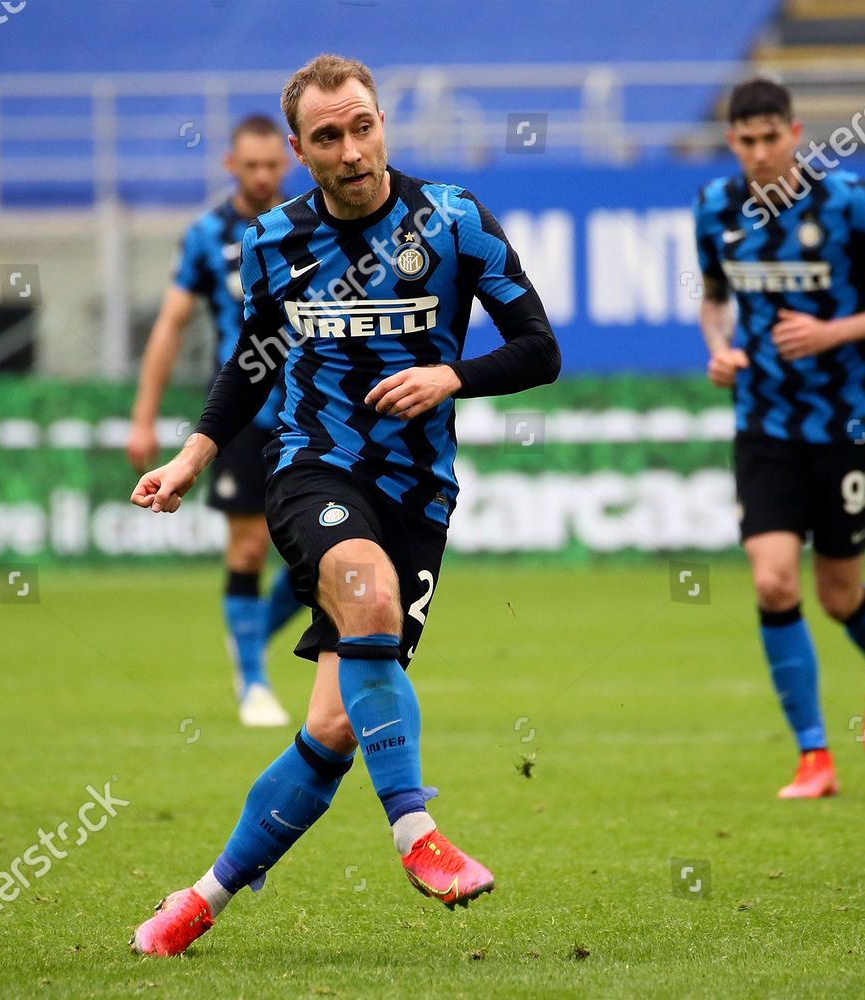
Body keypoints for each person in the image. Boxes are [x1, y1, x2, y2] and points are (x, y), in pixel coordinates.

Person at [128, 54, 560, 956]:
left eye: (363, 126)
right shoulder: (273, 241)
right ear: (299, 150)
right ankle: (417, 833)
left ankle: (201, 898)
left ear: (381, 125)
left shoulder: (453, 220)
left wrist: (450, 374)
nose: (352, 149)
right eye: (328, 136)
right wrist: (194, 453)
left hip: (419, 494)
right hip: (312, 469)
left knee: (332, 728)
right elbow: (253, 362)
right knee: (361, 587)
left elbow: (538, 349)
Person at [693, 78, 865, 799]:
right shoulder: (715, 208)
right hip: (764, 423)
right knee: (772, 579)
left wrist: (834, 331)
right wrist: (720, 348)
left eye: (773, 138)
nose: (761, 152)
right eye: (747, 141)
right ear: (732, 142)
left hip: (849, 425)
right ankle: (813, 756)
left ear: (796, 134)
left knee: (836, 593)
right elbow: (713, 300)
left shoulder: (848, 200)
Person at [126, 114, 302, 727]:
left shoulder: (308, 225)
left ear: (289, 162)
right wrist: (143, 419)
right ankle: (253, 682)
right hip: (243, 413)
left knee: (318, 559)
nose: (260, 176)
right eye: (248, 165)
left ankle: (247, 638)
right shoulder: (206, 235)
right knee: (249, 546)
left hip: (312, 408)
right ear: (231, 165)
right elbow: (170, 325)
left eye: (271, 165)